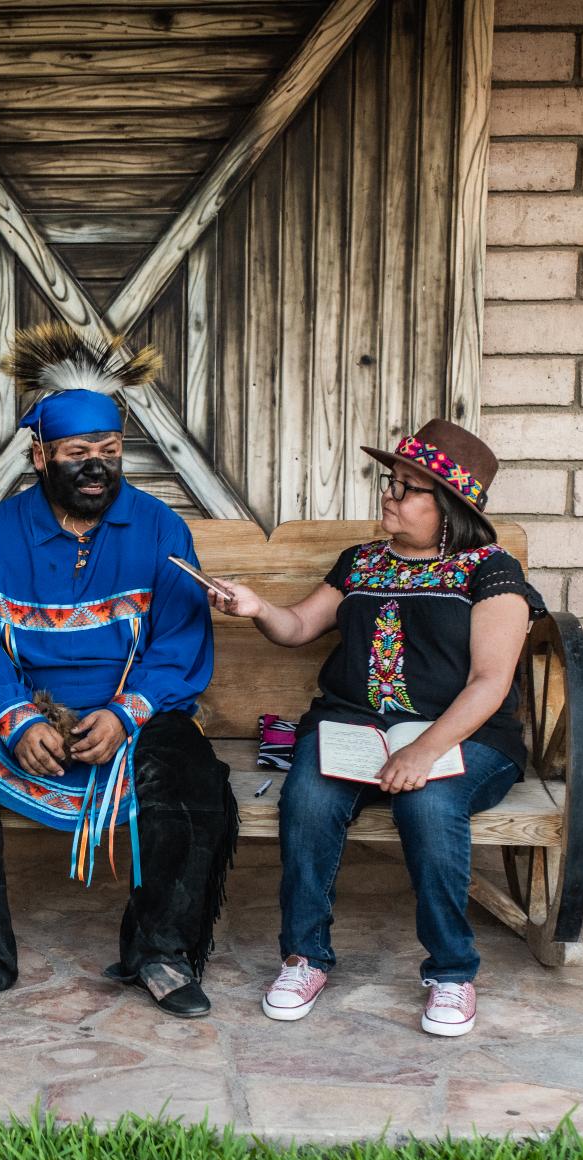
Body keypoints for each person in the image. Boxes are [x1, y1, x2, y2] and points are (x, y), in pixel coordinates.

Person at [0, 324, 237, 1020]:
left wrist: (126, 713)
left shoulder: (160, 529)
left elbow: (179, 641)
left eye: (111, 453)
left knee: (194, 775)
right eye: (78, 454)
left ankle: (162, 951)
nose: (97, 468)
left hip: (130, 719)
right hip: (26, 716)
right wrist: (16, 715)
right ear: (39, 455)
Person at [208, 419, 542, 1038]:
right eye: (391, 483)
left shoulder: (489, 572)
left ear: (449, 506)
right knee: (307, 798)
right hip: (355, 727)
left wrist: (424, 750)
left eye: (407, 488)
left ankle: (451, 971)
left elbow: (490, 684)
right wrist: (256, 609)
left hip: (465, 736)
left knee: (431, 803)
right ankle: (304, 956)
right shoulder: (360, 562)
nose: (388, 495)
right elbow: (300, 627)